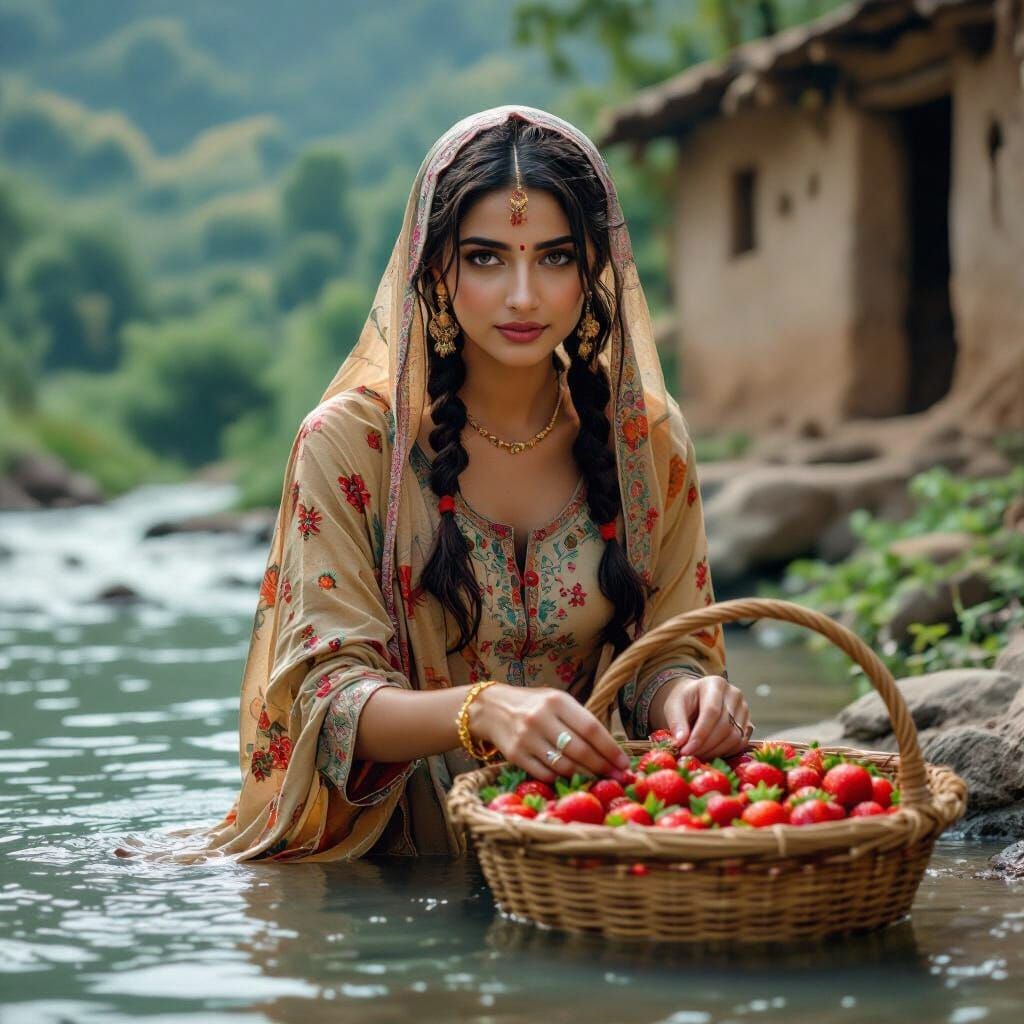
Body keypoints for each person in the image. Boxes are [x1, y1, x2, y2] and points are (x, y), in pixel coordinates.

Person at [177, 105, 750, 863]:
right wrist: (481, 711)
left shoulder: (644, 441)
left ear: (595, 269)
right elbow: (325, 701)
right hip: (392, 865)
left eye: (554, 258)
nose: (523, 295)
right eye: (486, 258)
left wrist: (689, 699)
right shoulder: (350, 446)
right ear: (434, 266)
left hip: (584, 843)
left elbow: (663, 654)